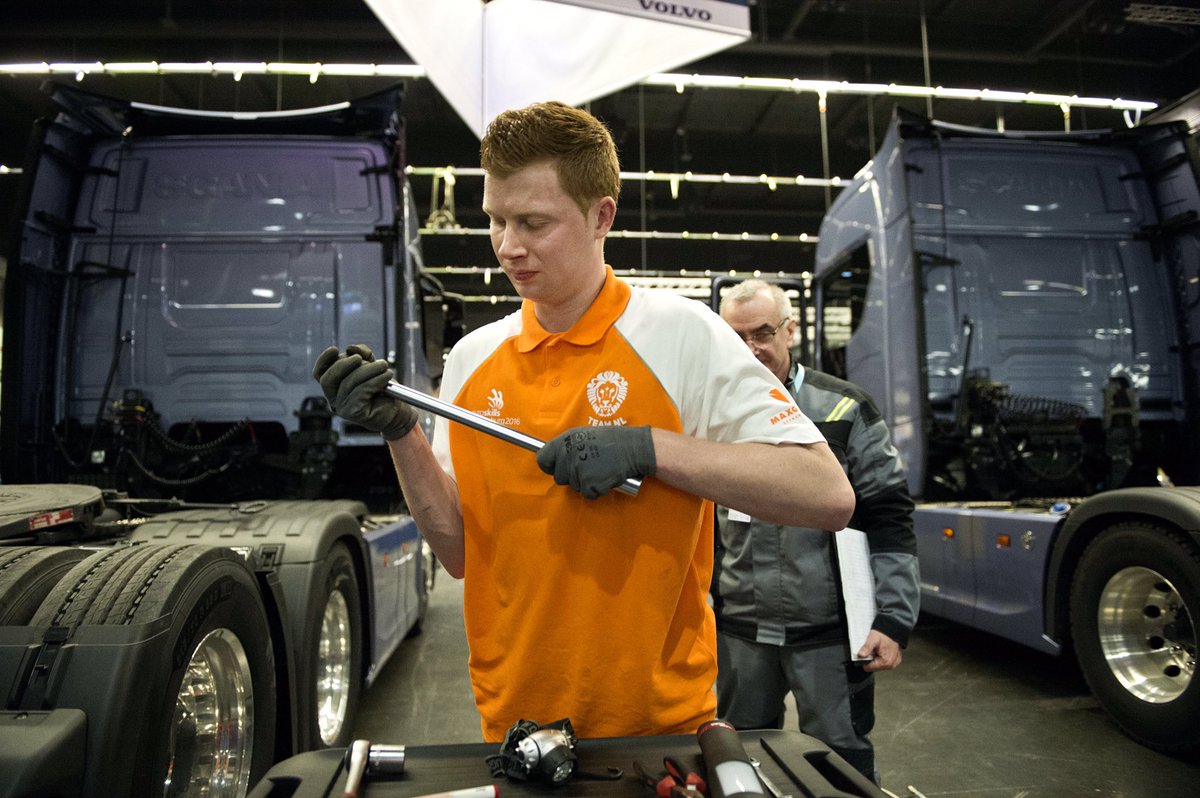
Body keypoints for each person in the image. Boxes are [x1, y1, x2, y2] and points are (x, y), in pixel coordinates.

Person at [312, 101, 855, 743]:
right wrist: (402, 433)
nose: (508, 247)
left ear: (602, 216)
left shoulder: (681, 335)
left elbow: (826, 494)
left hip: (659, 728)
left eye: (534, 223)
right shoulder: (471, 360)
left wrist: (649, 448)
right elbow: (459, 553)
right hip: (512, 722)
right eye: (496, 220)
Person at [714, 279, 918, 783]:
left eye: (761, 333)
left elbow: (889, 514)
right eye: (733, 336)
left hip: (828, 636)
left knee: (839, 763)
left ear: (791, 331)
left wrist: (893, 617)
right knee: (738, 760)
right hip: (739, 635)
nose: (749, 348)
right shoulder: (708, 416)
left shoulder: (843, 411)